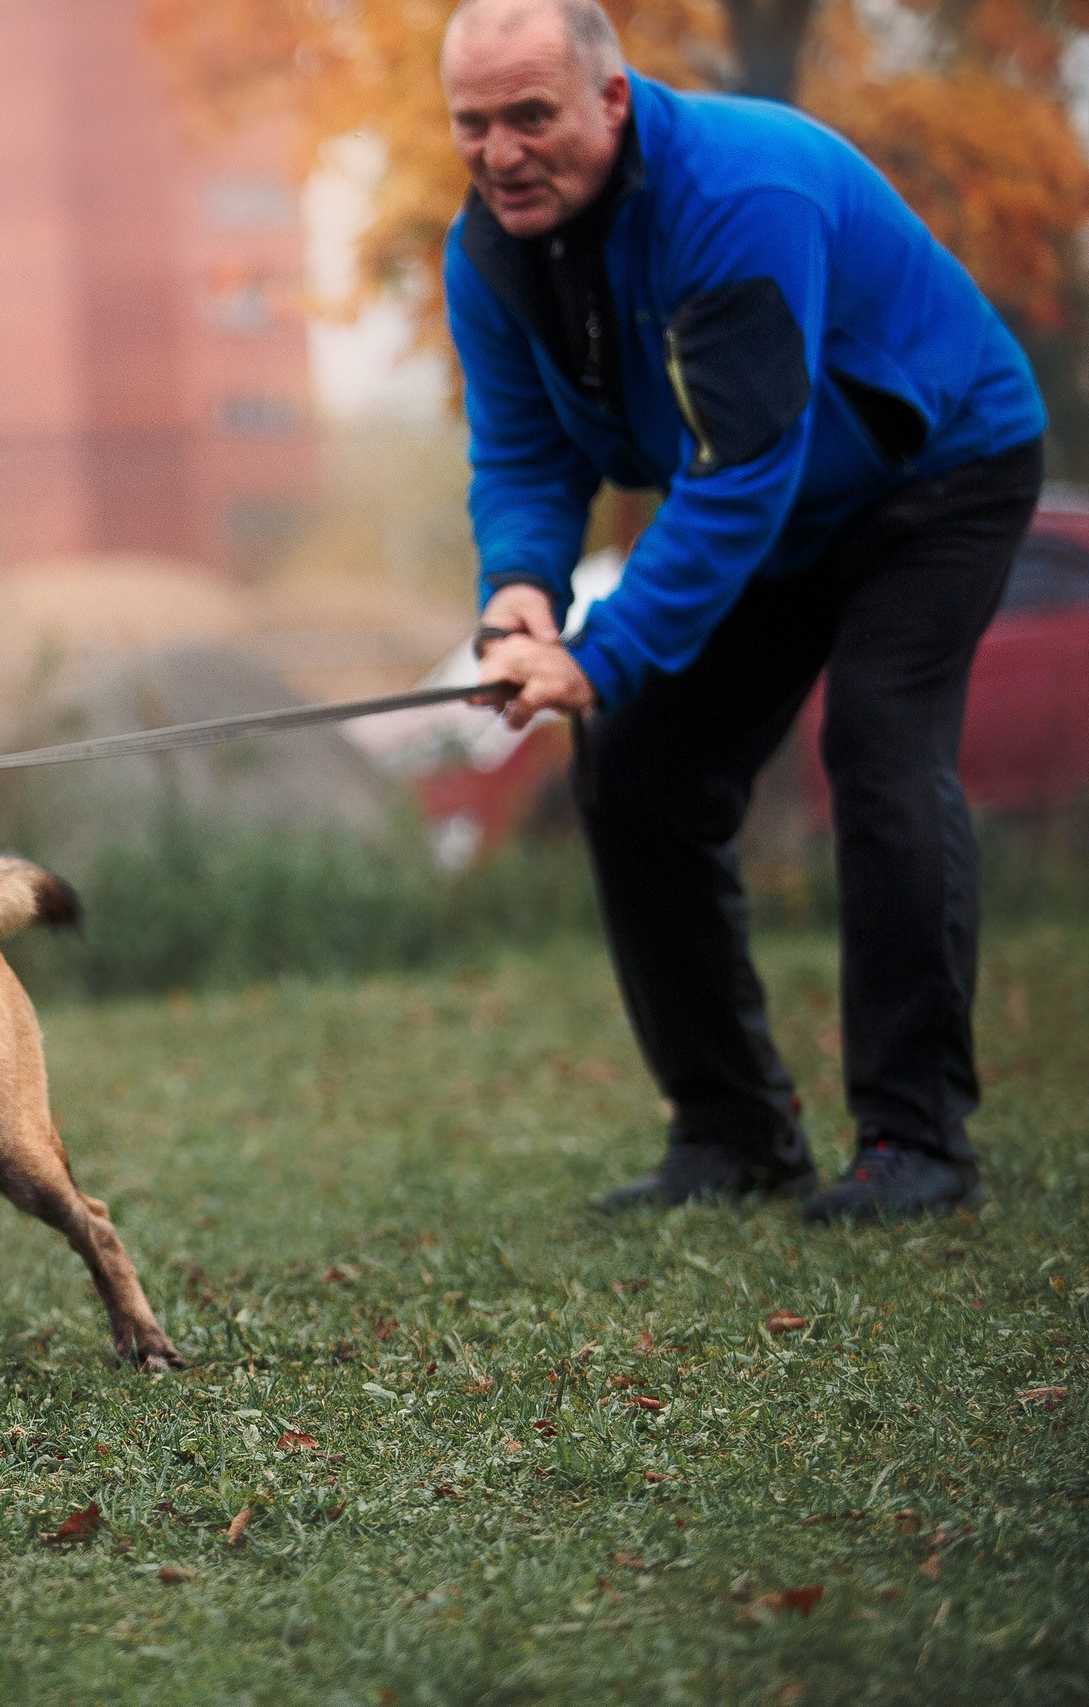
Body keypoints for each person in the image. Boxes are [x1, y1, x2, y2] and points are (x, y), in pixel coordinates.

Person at [444, 0, 1046, 1222]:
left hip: (936, 473)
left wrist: (600, 654)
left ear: (610, 100)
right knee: (639, 774)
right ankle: (732, 1134)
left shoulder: (740, 191)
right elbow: (523, 454)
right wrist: (519, 598)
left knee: (878, 744)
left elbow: (740, 472)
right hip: (776, 509)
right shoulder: (491, 249)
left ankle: (915, 1145)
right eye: (471, 124)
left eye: (529, 117)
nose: (500, 152)